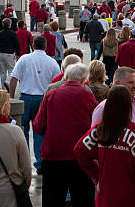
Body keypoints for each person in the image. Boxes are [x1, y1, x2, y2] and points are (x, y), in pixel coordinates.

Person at [74, 86, 135, 207]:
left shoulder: (100, 128)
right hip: (131, 197)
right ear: (128, 106)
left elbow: (80, 150)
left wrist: (97, 174)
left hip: (105, 197)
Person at [34, 63, 98, 206]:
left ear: (66, 77)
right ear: (83, 80)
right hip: (80, 156)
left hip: (53, 155)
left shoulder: (51, 94)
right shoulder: (86, 94)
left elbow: (38, 126)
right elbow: (96, 123)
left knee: (52, 199)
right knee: (83, 199)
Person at [8, 36, 60, 174]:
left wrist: (11, 98)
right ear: (46, 46)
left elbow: (14, 78)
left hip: (25, 97)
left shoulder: (24, 59)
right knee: (40, 132)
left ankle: (23, 163)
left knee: (22, 131)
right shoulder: (52, 62)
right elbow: (57, 81)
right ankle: (40, 163)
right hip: (43, 98)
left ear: (33, 45)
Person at [90, 67, 135, 147]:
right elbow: (94, 138)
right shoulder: (103, 108)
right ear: (117, 83)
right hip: (114, 157)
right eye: (130, 83)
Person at [0, 18, 20, 91]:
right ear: (10, 25)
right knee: (11, 70)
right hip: (9, 54)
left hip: (0, 53)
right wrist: (18, 53)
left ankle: (3, 88)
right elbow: (17, 44)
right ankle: (7, 82)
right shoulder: (13, 33)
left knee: (2, 72)